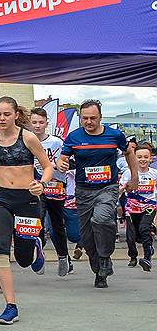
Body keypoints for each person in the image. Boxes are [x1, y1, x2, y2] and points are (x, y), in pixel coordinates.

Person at [0, 98, 54, 325]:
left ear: (16, 114)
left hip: (27, 199)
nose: (2, 118)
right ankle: (10, 306)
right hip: (2, 199)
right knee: (0, 249)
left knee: (23, 259)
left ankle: (34, 247)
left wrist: (42, 184)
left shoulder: (28, 137)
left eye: (7, 114)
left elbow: (47, 166)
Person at [58, 100, 137, 288]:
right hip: (84, 191)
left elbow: (129, 153)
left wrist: (134, 178)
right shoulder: (74, 137)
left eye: (93, 118)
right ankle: (99, 270)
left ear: (100, 117)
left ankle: (104, 256)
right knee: (86, 237)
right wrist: (62, 163)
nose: (89, 122)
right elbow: (63, 158)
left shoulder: (114, 135)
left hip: (107, 188)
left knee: (101, 220)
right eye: (85, 118)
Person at [30, 108, 72, 276]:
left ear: (47, 123)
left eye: (41, 122)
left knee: (57, 225)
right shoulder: (27, 140)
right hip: (36, 187)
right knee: (37, 219)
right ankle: (39, 255)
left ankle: (63, 256)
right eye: (34, 122)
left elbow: (66, 162)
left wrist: (58, 165)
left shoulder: (56, 142)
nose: (38, 126)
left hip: (56, 186)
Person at [121, 143, 155, 271]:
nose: (143, 160)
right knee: (132, 235)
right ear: (134, 158)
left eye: (146, 157)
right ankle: (133, 256)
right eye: (139, 157)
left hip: (149, 206)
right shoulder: (128, 173)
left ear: (150, 158)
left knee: (144, 228)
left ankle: (147, 256)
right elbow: (121, 189)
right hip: (132, 208)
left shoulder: (154, 174)